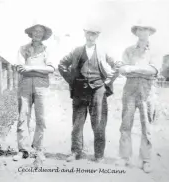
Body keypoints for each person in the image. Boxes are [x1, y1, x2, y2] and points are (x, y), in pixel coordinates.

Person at [58, 24, 119, 162]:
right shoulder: (77, 50)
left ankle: (99, 155)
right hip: (79, 90)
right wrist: (71, 80)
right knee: (77, 123)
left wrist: (107, 82)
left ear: (98, 36)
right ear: (84, 34)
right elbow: (61, 64)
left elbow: (117, 65)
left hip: (98, 90)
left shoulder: (103, 51)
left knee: (98, 123)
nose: (91, 36)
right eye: (89, 33)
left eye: (94, 34)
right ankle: (75, 152)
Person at [117, 23, 158, 173]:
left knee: (146, 126)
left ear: (150, 32)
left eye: (146, 29)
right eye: (140, 29)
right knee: (126, 124)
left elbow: (153, 70)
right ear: (136, 32)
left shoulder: (155, 51)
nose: (142, 32)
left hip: (147, 91)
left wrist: (132, 69)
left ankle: (146, 160)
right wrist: (141, 70)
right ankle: (124, 157)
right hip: (130, 89)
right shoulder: (128, 50)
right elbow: (122, 69)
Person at [13, 23, 55, 163]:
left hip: (41, 86)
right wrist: (39, 69)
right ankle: (23, 150)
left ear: (44, 35)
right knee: (23, 116)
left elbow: (50, 69)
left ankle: (38, 149)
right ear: (31, 33)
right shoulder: (23, 49)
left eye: (40, 32)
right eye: (35, 31)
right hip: (25, 84)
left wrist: (31, 68)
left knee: (41, 118)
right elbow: (20, 68)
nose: (37, 34)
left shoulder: (47, 50)